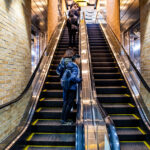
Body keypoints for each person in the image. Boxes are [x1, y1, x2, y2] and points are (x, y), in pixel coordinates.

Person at [56, 49, 81, 125]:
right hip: (71, 85)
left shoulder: (62, 60)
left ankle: (63, 119)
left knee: (65, 102)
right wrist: (79, 80)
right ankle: (64, 120)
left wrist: (63, 77)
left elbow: (58, 71)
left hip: (64, 84)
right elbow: (73, 77)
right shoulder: (73, 64)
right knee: (69, 103)